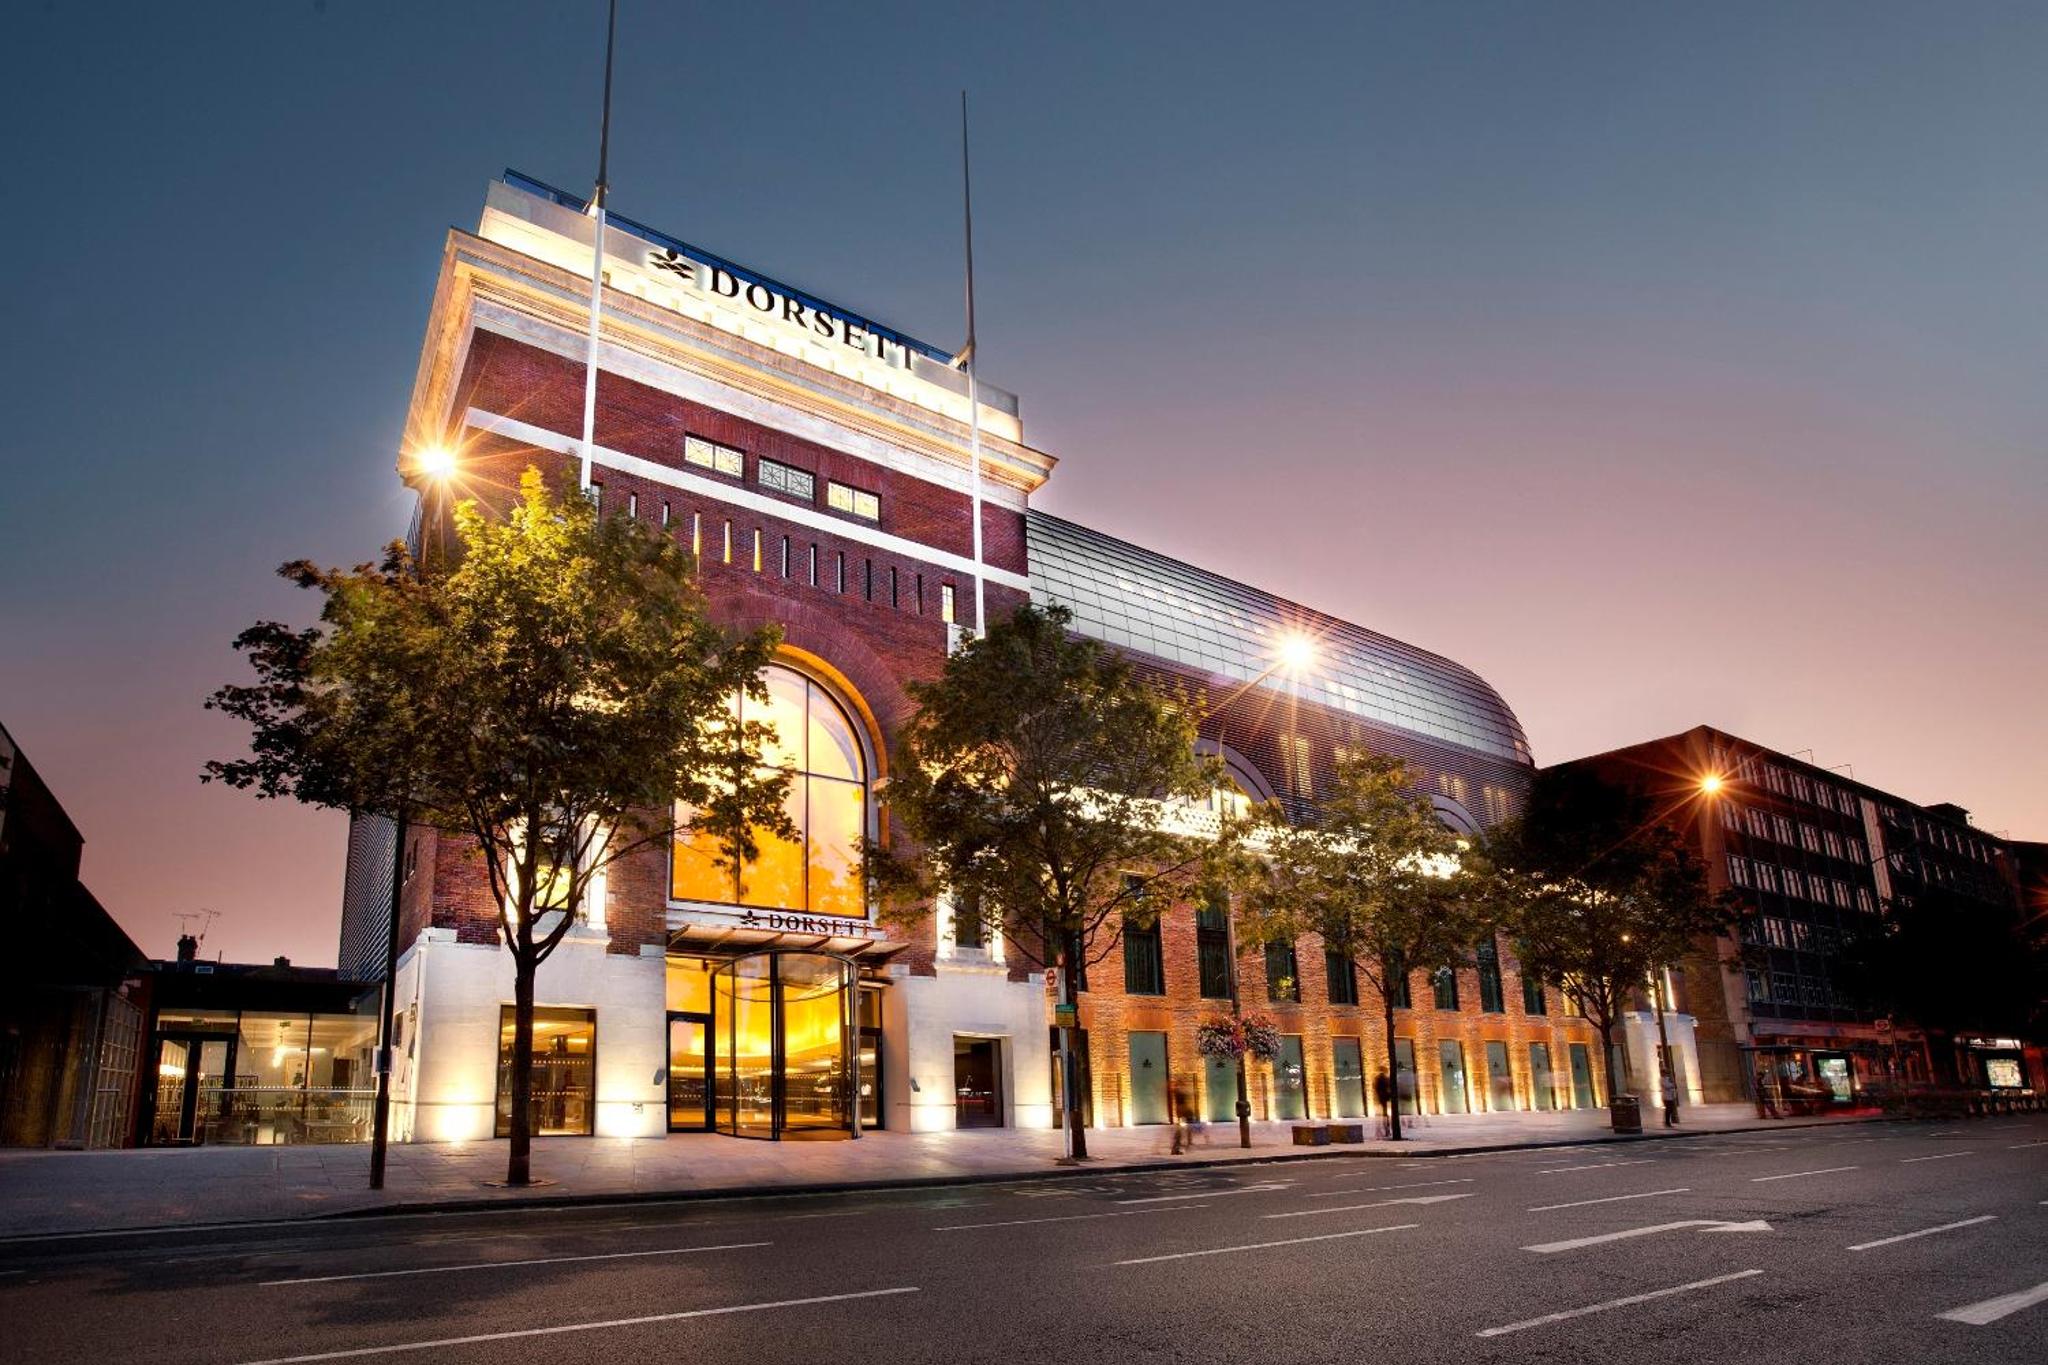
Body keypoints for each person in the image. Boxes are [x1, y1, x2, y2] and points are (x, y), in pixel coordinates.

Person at [1169, 1080, 1194, 1155]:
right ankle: (1176, 1148)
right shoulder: (1179, 1091)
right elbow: (1185, 1093)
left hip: (1180, 1111)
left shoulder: (1176, 1091)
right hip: (1182, 1110)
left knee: (1181, 1130)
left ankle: (1177, 1147)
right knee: (1180, 1130)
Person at [1372, 1069, 1394, 1139]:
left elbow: (1375, 1087)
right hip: (1385, 1098)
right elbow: (1390, 1087)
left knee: (1380, 1114)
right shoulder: (1386, 1079)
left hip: (1380, 1098)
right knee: (1385, 1114)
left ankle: (1381, 1130)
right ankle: (1387, 1129)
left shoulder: (1377, 1079)